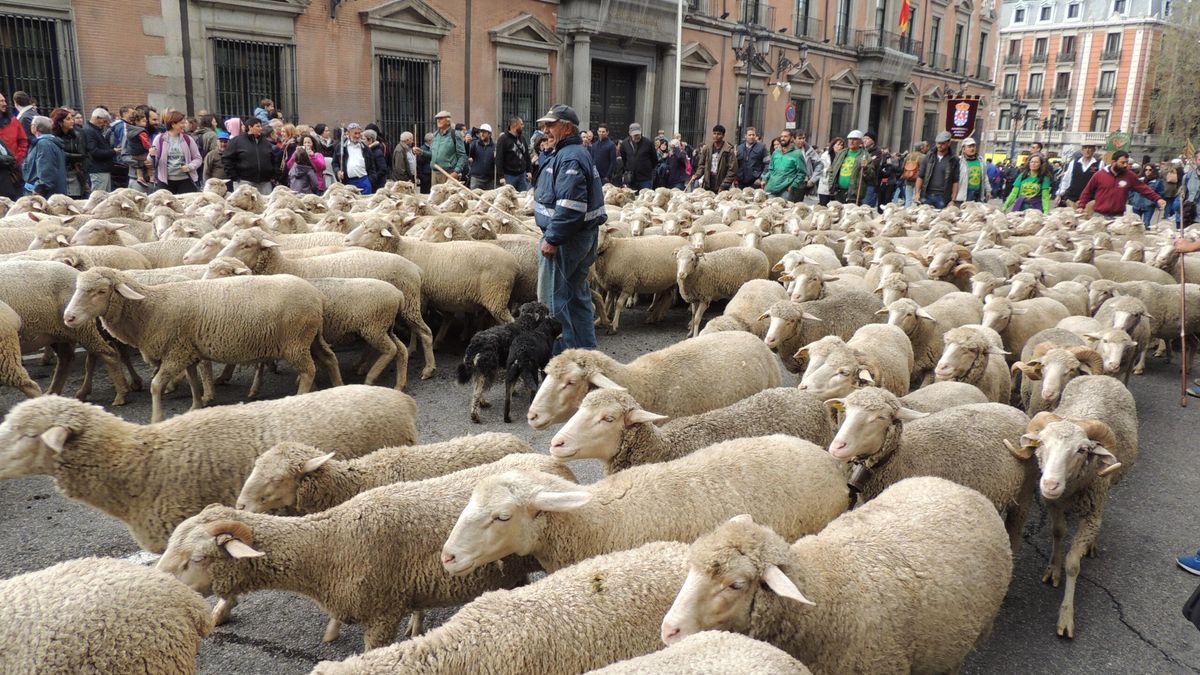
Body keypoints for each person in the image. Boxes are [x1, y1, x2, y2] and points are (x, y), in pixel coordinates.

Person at [531, 104, 606, 353]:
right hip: (581, 237)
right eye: (544, 125)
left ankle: (562, 365)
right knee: (577, 296)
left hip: (566, 240)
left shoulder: (570, 157)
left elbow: (570, 206)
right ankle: (586, 355)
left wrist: (552, 238)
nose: (545, 130)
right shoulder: (569, 153)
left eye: (550, 125)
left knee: (553, 302)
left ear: (566, 127)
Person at [1079, 150, 1165, 218]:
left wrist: (1157, 199)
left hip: (1118, 216)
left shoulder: (1130, 176)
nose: (1125, 165)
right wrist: (1081, 206)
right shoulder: (1099, 175)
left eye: (1127, 162)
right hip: (1099, 215)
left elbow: (1143, 189)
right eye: (1122, 162)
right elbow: (1087, 191)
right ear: (1113, 162)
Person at [147, 110, 202, 194]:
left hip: (186, 180)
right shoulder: (159, 139)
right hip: (165, 182)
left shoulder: (188, 139)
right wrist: (151, 154)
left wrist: (190, 166)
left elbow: (198, 158)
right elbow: (151, 160)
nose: (184, 125)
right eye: (181, 123)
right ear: (173, 124)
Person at [222, 117, 277, 194]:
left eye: (261, 126)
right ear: (250, 127)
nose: (260, 128)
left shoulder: (266, 142)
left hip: (264, 183)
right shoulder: (237, 141)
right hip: (244, 182)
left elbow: (272, 159)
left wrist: (273, 174)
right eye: (257, 126)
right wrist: (234, 176)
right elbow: (227, 159)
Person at [21, 116, 67, 197]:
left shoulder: (44, 144)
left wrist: (38, 190)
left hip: (45, 195)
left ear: (35, 127)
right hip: (50, 192)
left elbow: (46, 170)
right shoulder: (48, 142)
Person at [826, 130, 875, 205]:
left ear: (860, 142)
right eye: (850, 139)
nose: (851, 142)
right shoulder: (841, 153)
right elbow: (833, 170)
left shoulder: (866, 156)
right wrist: (831, 186)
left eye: (854, 139)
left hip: (854, 194)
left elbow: (871, 176)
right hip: (838, 192)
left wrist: (865, 168)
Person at [914, 131, 958, 208]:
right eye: (938, 143)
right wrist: (917, 193)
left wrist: (953, 200)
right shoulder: (928, 157)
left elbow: (955, 181)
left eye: (942, 143)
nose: (939, 146)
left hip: (943, 197)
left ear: (949, 143)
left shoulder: (954, 160)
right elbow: (920, 176)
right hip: (926, 195)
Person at [761, 129, 807, 202]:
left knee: (784, 211)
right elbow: (771, 169)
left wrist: (793, 185)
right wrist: (765, 179)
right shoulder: (776, 153)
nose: (782, 138)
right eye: (781, 136)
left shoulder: (797, 154)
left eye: (785, 136)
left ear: (791, 138)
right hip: (772, 188)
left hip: (786, 191)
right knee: (769, 210)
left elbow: (802, 173)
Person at [689, 124, 737, 193]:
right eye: (714, 133)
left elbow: (732, 169)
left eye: (719, 134)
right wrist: (697, 175)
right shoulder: (707, 148)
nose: (716, 136)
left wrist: (725, 184)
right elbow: (702, 165)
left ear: (723, 135)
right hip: (708, 182)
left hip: (721, 183)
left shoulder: (728, 150)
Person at [82, 108, 118, 194]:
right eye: (104, 121)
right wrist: (113, 151)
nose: (105, 124)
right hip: (98, 170)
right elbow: (94, 152)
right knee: (99, 198)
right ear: (98, 118)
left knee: (104, 196)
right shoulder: (89, 131)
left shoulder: (93, 130)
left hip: (101, 169)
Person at [51, 108, 86, 198]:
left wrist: (63, 155)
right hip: (58, 173)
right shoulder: (52, 137)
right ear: (60, 122)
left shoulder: (77, 135)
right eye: (68, 119)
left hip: (74, 172)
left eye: (72, 118)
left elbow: (82, 155)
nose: (72, 121)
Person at [429, 110, 467, 186]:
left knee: (448, 197)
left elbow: (462, 156)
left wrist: (456, 172)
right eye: (437, 119)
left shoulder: (455, 134)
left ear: (448, 121)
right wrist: (421, 152)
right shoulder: (435, 135)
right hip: (434, 173)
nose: (438, 120)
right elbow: (432, 154)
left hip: (448, 173)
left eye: (441, 118)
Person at [334, 123, 373, 194]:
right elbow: (335, 163)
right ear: (348, 133)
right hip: (348, 181)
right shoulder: (341, 147)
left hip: (364, 180)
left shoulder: (365, 148)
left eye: (359, 133)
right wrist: (337, 171)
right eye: (355, 133)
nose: (357, 136)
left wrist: (370, 180)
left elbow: (372, 166)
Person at [616, 123, 656, 190]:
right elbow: (624, 158)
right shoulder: (624, 144)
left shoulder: (648, 143)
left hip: (645, 178)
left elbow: (654, 159)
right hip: (631, 178)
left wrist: (647, 169)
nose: (637, 137)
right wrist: (628, 168)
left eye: (638, 134)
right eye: (635, 135)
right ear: (630, 134)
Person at [496, 117, 532, 191]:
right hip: (509, 176)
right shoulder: (503, 139)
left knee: (523, 198)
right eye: (521, 124)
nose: (523, 126)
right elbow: (499, 158)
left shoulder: (522, 138)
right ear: (515, 125)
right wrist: (501, 177)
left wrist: (529, 171)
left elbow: (527, 156)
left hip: (522, 175)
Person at [955, 138, 990, 204]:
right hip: (964, 193)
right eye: (969, 147)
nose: (972, 149)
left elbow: (985, 177)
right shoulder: (959, 161)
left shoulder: (981, 161)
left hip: (978, 193)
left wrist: (988, 190)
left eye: (973, 146)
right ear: (963, 149)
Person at [1130, 163, 1165, 230]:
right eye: (1146, 169)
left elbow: (1161, 193)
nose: (1147, 171)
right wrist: (1132, 199)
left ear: (1153, 171)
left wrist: (1155, 202)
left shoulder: (1157, 181)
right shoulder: (1139, 179)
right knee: (1135, 223)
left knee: (1146, 223)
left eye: (1150, 170)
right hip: (1137, 204)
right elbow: (1131, 190)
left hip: (1148, 205)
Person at [0, 93, 29, 168]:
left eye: (4, 101)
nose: (5, 104)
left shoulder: (13, 121)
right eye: (1, 101)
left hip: (12, 168)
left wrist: (17, 158)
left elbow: (23, 141)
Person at [467, 123, 497, 190]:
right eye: (481, 132)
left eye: (484, 132)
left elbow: (498, 161)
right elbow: (468, 153)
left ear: (489, 134)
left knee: (489, 199)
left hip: (490, 180)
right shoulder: (475, 144)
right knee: (474, 199)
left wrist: (497, 157)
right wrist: (467, 143)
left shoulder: (495, 146)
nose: (482, 134)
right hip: (476, 178)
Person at [816, 137, 845, 206]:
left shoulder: (843, 156)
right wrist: (827, 169)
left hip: (837, 186)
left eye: (841, 145)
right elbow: (819, 169)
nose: (840, 147)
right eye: (838, 145)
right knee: (823, 206)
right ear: (833, 145)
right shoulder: (825, 155)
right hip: (825, 184)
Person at [901, 141, 928, 206]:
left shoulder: (909, 155)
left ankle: (906, 214)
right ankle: (912, 214)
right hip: (918, 181)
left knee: (908, 199)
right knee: (915, 200)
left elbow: (903, 167)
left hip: (908, 179)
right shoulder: (923, 157)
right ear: (921, 148)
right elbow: (925, 170)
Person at [1163, 161, 1183, 227]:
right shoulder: (1175, 171)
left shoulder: (1165, 171)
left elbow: (1161, 177)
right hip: (1173, 189)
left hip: (1166, 188)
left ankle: (1166, 215)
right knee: (1170, 202)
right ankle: (1169, 214)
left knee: (1166, 202)